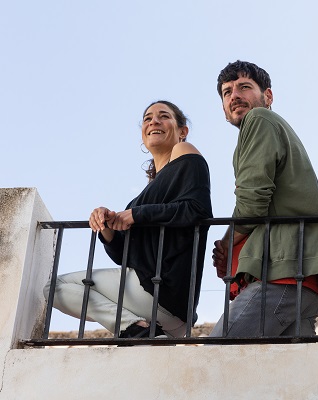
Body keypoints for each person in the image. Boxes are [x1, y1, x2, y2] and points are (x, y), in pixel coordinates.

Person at [44, 100, 213, 338]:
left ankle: (133, 329)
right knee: (58, 288)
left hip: (161, 290)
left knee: (55, 287)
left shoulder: (184, 151)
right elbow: (125, 257)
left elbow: (197, 209)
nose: (154, 121)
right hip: (164, 305)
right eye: (147, 118)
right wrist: (107, 228)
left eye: (164, 116)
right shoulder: (150, 190)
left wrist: (136, 214)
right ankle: (143, 331)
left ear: (182, 131)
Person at [210, 60, 318, 337]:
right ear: (223, 109)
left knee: (217, 354)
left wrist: (226, 242)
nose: (234, 96)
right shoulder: (271, 129)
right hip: (307, 279)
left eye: (244, 87)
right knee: (285, 367)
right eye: (227, 92)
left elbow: (252, 203)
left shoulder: (259, 119)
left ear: (268, 96)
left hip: (283, 273)